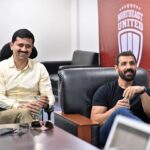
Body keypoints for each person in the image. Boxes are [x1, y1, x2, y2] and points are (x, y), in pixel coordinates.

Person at [90, 51, 150, 148]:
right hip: (109, 136)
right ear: (116, 68)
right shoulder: (105, 90)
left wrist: (142, 91)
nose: (128, 67)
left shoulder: (143, 90)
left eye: (132, 63)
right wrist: (115, 109)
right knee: (120, 112)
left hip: (135, 141)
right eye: (123, 64)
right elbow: (95, 120)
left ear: (136, 67)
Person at [0, 28, 55, 123]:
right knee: (25, 112)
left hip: (33, 114)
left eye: (28, 46)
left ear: (32, 48)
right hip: (6, 114)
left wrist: (46, 103)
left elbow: (48, 95)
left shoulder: (40, 68)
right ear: (11, 45)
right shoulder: (1, 67)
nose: (24, 49)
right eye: (20, 45)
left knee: (27, 114)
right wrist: (19, 106)